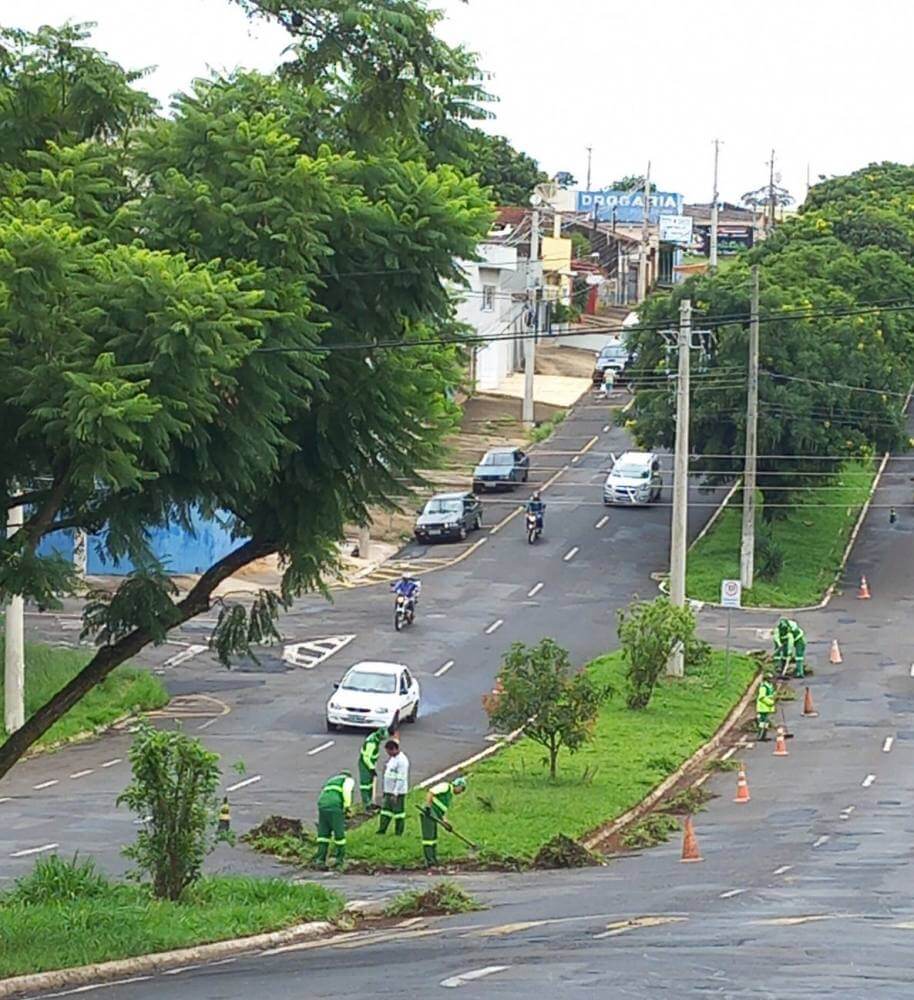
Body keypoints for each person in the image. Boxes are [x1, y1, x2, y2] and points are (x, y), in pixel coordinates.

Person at [420, 775, 467, 866]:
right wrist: (428, 807)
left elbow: (441, 811)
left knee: (433, 837)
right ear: (458, 786)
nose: (461, 792)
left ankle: (433, 858)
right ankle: (429, 860)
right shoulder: (445, 786)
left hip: (435, 814)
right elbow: (431, 792)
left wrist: (446, 823)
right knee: (428, 838)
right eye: (462, 789)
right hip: (428, 813)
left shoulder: (449, 795)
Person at [313, 769, 355, 867]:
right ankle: (339, 860)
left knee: (323, 833)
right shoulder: (347, 780)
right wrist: (347, 807)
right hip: (334, 806)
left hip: (322, 804)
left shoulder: (331, 780)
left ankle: (320, 860)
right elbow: (347, 792)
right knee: (339, 833)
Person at [378, 739, 410, 836]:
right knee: (385, 811)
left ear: (395, 749)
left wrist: (395, 792)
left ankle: (398, 832)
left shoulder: (402, 761)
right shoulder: (393, 758)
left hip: (397, 792)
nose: (388, 754)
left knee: (398, 813)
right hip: (388, 790)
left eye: (389, 751)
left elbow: (401, 778)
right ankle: (382, 829)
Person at [358, 725, 391, 809]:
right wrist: (371, 768)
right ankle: (367, 803)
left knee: (370, 783)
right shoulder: (371, 743)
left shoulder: (374, 737)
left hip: (370, 763)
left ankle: (370, 801)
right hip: (365, 764)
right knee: (365, 784)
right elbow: (366, 758)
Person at [756, 672, 777, 740]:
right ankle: (760, 736)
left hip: (767, 707)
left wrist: (774, 695)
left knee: (766, 722)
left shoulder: (770, 686)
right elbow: (762, 697)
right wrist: (770, 702)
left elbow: (770, 694)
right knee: (762, 722)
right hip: (763, 707)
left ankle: (764, 736)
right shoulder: (763, 687)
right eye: (770, 679)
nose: (772, 680)